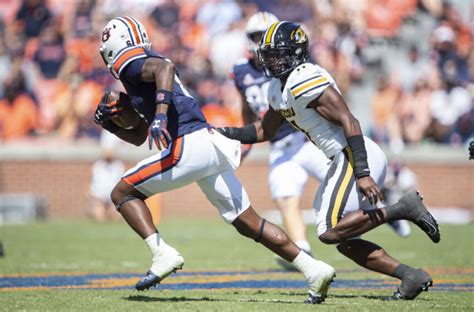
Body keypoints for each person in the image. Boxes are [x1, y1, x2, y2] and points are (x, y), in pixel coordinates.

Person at [94, 16, 335, 304]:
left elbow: (165, 67)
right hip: (206, 144)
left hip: (191, 144)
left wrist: (160, 115)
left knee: (121, 192)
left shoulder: (132, 62)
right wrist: (110, 123)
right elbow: (139, 136)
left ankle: (162, 253)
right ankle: (314, 269)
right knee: (248, 222)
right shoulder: (140, 78)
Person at [218, 21, 441, 300]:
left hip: (352, 153)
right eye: (269, 54)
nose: (272, 61)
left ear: (296, 54)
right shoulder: (276, 88)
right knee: (343, 241)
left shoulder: (304, 77)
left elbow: (349, 119)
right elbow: (264, 130)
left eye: (279, 54)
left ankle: (402, 208)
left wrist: (362, 173)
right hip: (341, 158)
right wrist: (223, 132)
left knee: (328, 231)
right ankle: (410, 276)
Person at [231, 12, 329, 269]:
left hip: (307, 138)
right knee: (285, 195)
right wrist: (246, 141)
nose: (261, 42)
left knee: (348, 189)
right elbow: (246, 106)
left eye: (265, 36)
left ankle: (387, 210)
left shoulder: (290, 63)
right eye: (256, 37)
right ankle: (303, 251)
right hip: (279, 143)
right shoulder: (240, 70)